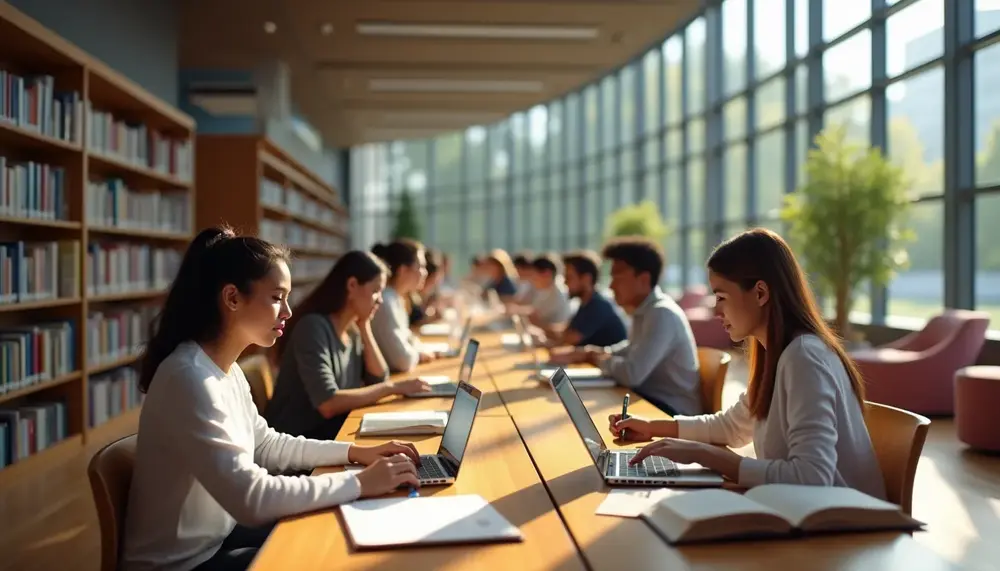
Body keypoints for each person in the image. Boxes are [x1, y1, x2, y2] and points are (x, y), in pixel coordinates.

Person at [122, 227, 422, 571]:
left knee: (331, 531)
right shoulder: (188, 377)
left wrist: (355, 453)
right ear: (232, 298)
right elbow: (251, 499)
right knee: (327, 554)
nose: (288, 312)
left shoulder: (226, 370)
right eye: (278, 297)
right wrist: (359, 482)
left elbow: (266, 445)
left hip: (218, 538)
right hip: (184, 564)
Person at [607, 228, 887, 499]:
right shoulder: (778, 353)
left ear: (761, 293)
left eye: (721, 297)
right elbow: (731, 426)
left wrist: (705, 454)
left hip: (840, 521)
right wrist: (652, 427)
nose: (716, 309)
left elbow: (812, 477)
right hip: (806, 510)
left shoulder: (804, 358)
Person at [264, 251, 431, 441]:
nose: (380, 299)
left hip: (330, 434)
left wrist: (364, 326)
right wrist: (393, 387)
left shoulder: (352, 330)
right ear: (352, 285)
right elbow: (328, 403)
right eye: (375, 291)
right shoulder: (312, 328)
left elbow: (378, 378)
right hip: (298, 441)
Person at [549, 237, 702, 416]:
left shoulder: (662, 313)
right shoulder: (646, 311)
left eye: (617, 277)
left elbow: (631, 374)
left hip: (670, 411)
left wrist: (595, 357)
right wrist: (591, 352)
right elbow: (631, 349)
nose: (611, 286)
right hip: (648, 401)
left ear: (643, 279)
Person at [370, 239, 437, 372]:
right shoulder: (385, 303)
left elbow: (409, 339)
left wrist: (420, 350)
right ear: (403, 270)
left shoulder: (395, 298)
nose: (425, 273)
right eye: (421, 267)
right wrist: (419, 354)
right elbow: (403, 361)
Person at [538, 250, 627, 348]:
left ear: (586, 279)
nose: (565, 282)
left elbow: (570, 339)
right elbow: (565, 331)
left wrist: (540, 331)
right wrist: (539, 328)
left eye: (569, 277)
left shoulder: (598, 305)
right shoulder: (585, 304)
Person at [522, 253, 572, 329]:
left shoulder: (557, 294)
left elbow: (533, 316)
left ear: (546, 273)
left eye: (533, 276)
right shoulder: (546, 291)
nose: (532, 280)